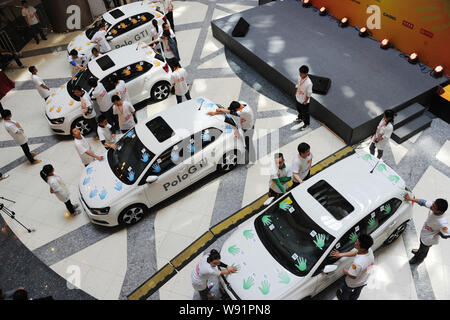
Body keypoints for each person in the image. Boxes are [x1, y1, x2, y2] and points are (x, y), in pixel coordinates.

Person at [405, 194, 449, 264]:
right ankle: (420, 251)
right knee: (422, 246)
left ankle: (418, 259)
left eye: (434, 206)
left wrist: (438, 233)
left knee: (424, 249)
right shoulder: (434, 206)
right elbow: (422, 202)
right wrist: (410, 199)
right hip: (425, 233)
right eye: (433, 203)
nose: (431, 206)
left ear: (439, 211)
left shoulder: (442, 222)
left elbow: (447, 234)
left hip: (428, 240)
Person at [330, 234, 374, 300]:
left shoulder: (358, 263)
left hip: (352, 283)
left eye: (357, 243)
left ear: (362, 248)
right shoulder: (368, 250)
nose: (355, 243)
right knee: (356, 293)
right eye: (356, 241)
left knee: (346, 293)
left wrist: (345, 271)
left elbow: (353, 276)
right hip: (364, 279)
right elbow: (357, 252)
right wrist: (340, 254)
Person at [295, 65, 313, 130]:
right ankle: (300, 117)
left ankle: (306, 124)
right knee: (298, 109)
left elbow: (309, 94)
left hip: (304, 101)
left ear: (306, 74)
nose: (300, 74)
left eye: (301, 74)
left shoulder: (309, 83)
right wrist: (296, 93)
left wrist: (305, 101)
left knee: (305, 113)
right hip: (298, 97)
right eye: (300, 73)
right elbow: (298, 85)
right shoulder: (299, 77)